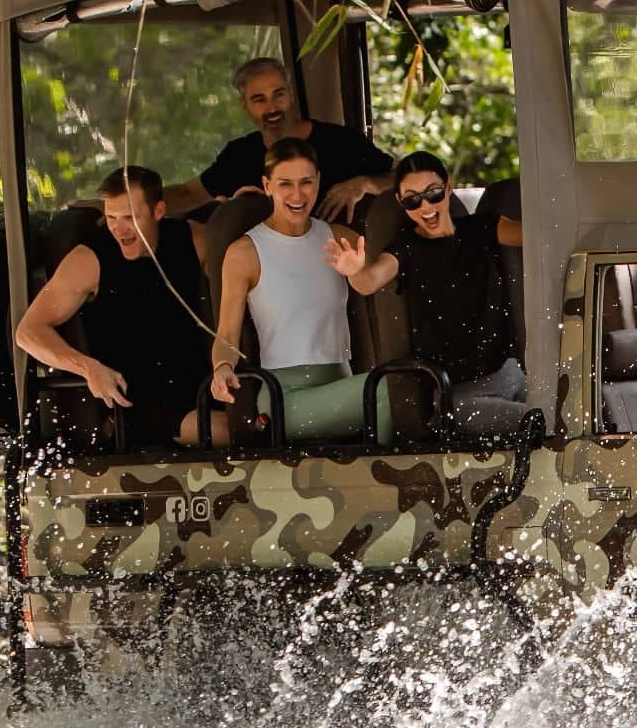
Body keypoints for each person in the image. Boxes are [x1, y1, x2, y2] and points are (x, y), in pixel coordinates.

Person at [323, 151, 528, 432]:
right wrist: (354, 269)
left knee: (580, 409)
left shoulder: (484, 228)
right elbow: (369, 281)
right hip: (458, 395)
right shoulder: (407, 248)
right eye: (412, 199)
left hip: (510, 374)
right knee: (533, 424)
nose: (425, 206)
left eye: (433, 193)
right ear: (400, 202)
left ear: (449, 187)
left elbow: (537, 235)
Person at [14, 166, 212, 446]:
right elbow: (28, 332)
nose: (120, 229)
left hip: (203, 386)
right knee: (230, 432)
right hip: (135, 403)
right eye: (111, 217)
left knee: (252, 424)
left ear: (159, 211)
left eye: (130, 217)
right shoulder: (90, 259)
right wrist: (87, 368)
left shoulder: (192, 239)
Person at [208, 139, 374, 441]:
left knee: (395, 390)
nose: (297, 195)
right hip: (285, 399)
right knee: (391, 390)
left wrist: (357, 270)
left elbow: (374, 280)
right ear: (267, 185)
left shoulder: (340, 239)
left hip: (340, 386)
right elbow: (227, 334)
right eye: (285, 184)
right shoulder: (245, 252)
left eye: (306, 183)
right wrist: (222, 367)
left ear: (319, 182)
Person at [160, 57, 393, 222]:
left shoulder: (342, 142)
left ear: (291, 95)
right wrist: (134, 205)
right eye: (259, 99)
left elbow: (404, 177)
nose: (272, 108)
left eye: (278, 95)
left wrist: (366, 184)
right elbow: (187, 195)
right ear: (245, 106)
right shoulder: (240, 156)